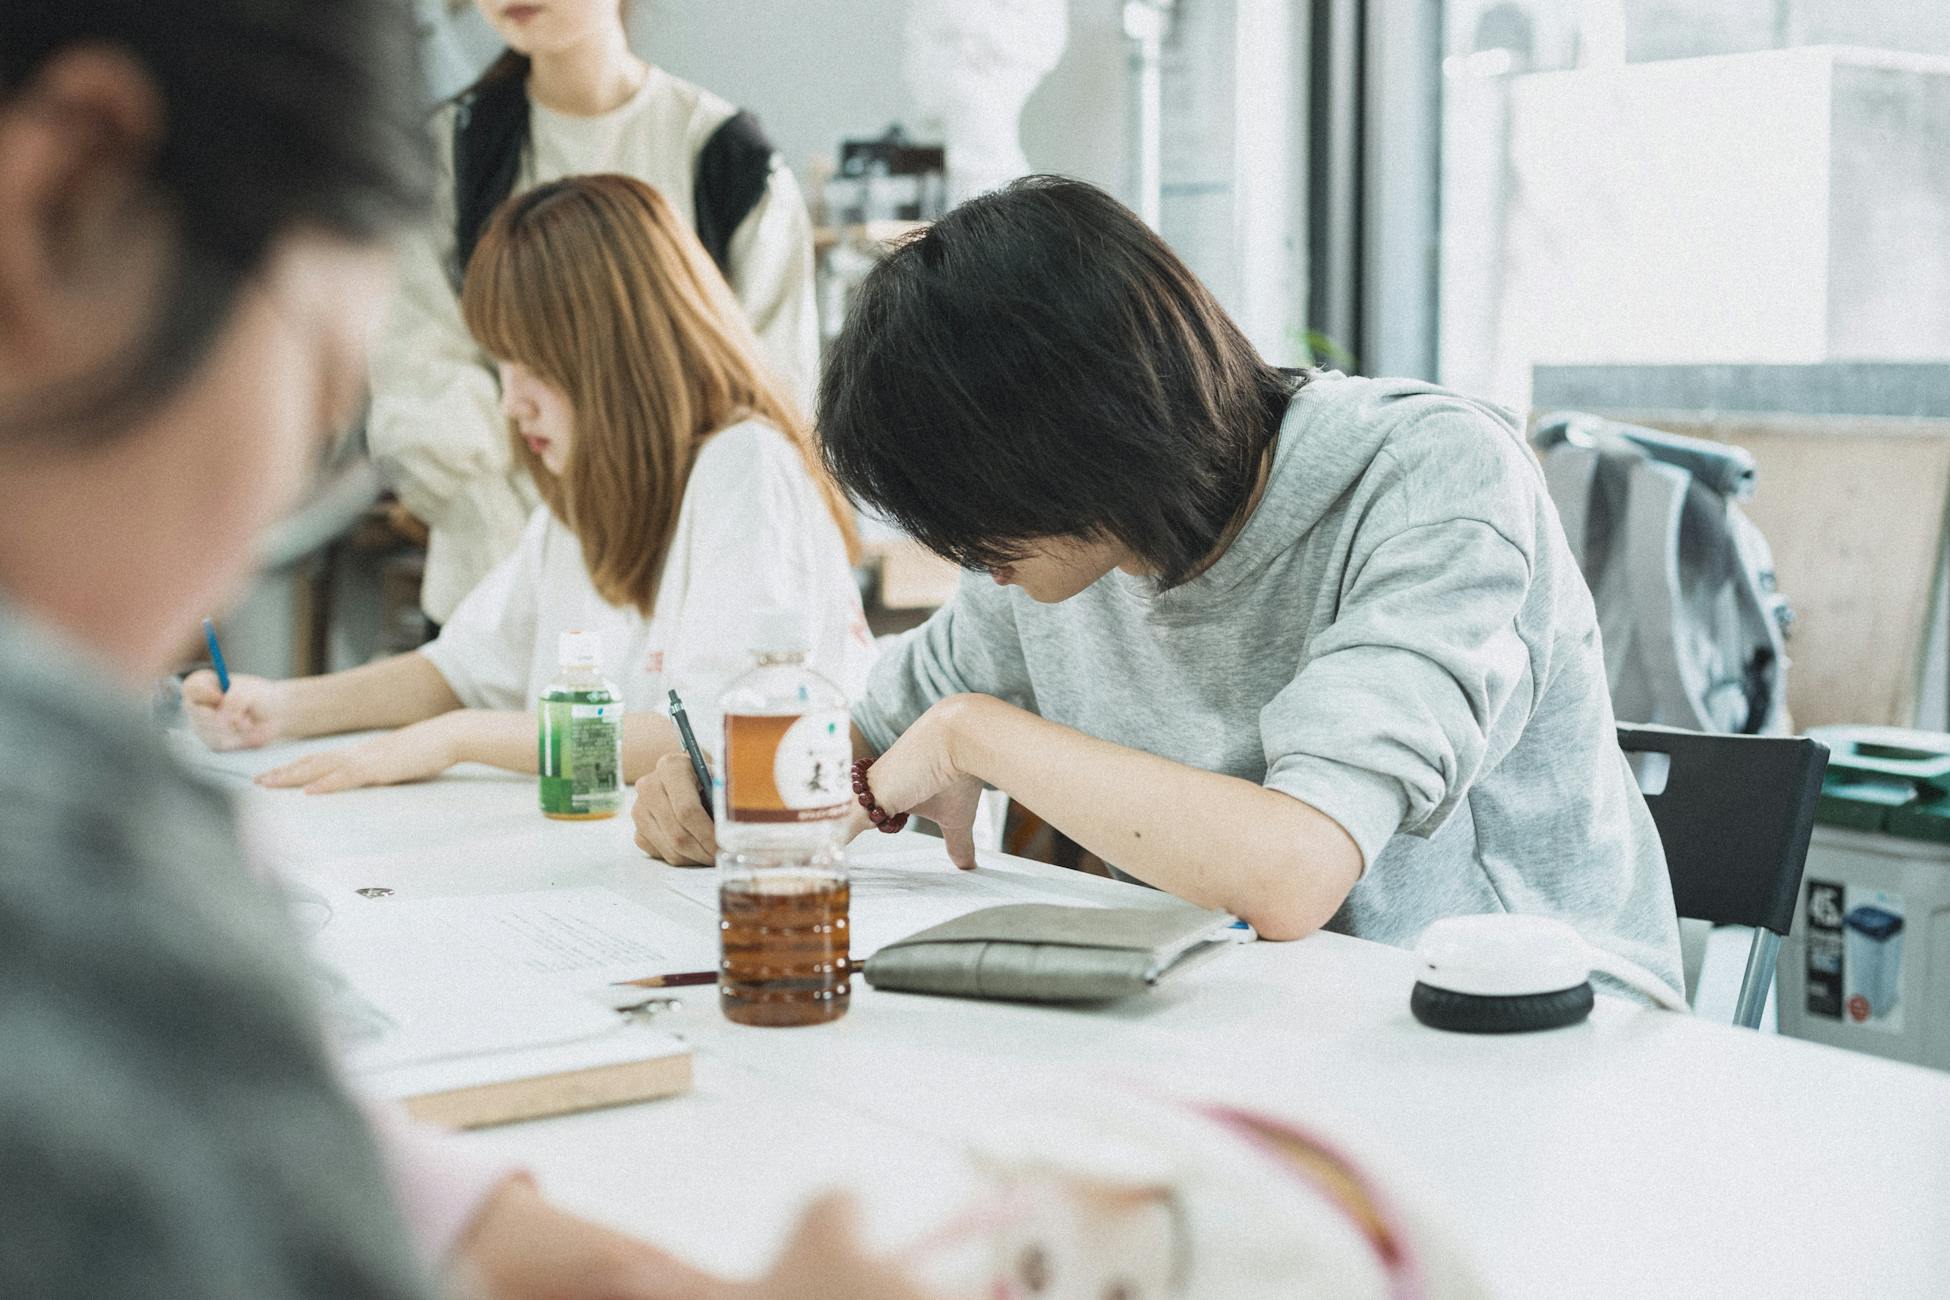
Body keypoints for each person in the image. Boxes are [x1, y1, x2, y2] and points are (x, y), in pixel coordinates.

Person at [0, 3, 929, 1297]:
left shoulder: (737, 469)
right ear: (64, 202)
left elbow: (731, 729)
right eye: (320, 388)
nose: (271, 500)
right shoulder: (66, 870)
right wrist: (300, 710)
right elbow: (468, 665)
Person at [633, 176, 1685, 1003]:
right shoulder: (1057, 552)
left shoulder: (1433, 480)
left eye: (976, 511)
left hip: (1522, 1028)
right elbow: (863, 740)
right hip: (1248, 1018)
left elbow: (1293, 872)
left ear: (1081, 439)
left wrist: (970, 737)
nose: (970, 556)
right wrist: (718, 786)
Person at [184, 174, 870, 795]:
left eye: (535, 366)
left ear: (618, 355)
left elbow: (715, 739)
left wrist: (458, 738)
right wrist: (278, 708)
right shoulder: (587, 493)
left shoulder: (743, 465)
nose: (514, 402)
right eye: (502, 366)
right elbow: (459, 671)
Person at [370, 0, 821, 624]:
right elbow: (419, 376)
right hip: (489, 604)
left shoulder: (729, 163)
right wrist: (526, 586)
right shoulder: (447, 155)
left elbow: (773, 404)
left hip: (676, 609)